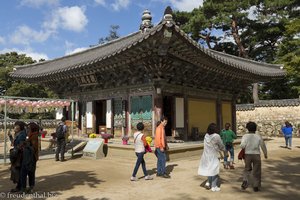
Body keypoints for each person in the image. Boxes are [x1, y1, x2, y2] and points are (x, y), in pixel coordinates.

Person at [198, 123, 226, 192]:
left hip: (206, 155)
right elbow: (221, 145)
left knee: (209, 169)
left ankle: (208, 183)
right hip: (214, 155)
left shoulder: (206, 135)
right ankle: (214, 187)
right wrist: (225, 151)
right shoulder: (217, 136)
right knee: (215, 171)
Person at [240, 121, 268, 192]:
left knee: (247, 169)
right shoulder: (258, 136)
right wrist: (265, 153)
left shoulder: (245, 136)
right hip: (256, 155)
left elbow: (242, 145)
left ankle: (245, 181)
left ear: (247, 128)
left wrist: (243, 147)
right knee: (257, 171)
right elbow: (262, 145)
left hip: (247, 155)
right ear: (255, 128)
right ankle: (256, 185)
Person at [20, 122, 39, 193]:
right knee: (26, 173)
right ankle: (26, 188)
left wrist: (25, 144)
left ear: (32, 129)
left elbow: (34, 148)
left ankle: (29, 188)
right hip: (27, 157)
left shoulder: (34, 136)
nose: (27, 129)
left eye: (28, 128)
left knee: (28, 172)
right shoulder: (29, 135)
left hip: (31, 158)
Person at [8, 121, 27, 193]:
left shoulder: (22, 135)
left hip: (20, 156)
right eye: (15, 125)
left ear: (20, 127)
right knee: (17, 172)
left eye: (17, 126)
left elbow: (22, 145)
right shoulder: (17, 134)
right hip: (17, 155)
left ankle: (22, 188)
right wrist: (10, 136)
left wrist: (16, 149)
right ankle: (18, 187)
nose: (15, 127)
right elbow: (13, 143)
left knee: (21, 172)